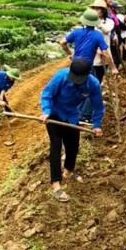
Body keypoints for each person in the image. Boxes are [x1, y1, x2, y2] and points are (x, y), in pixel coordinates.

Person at [40, 59, 104, 202]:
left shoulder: (93, 84)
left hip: (72, 116)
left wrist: (97, 125)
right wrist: (46, 111)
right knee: (56, 146)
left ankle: (68, 171)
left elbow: (98, 106)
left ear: (88, 75)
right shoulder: (61, 76)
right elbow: (47, 94)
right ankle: (56, 184)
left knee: (73, 146)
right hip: (54, 115)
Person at [61, 9, 118, 75]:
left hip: (75, 64)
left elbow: (62, 42)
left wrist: (69, 53)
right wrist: (113, 67)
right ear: (96, 22)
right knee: (94, 83)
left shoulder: (76, 32)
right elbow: (105, 52)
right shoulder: (98, 35)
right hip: (88, 66)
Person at [89, 0, 115, 84]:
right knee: (92, 77)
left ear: (103, 10)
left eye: (97, 9)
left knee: (99, 77)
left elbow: (107, 30)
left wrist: (98, 23)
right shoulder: (89, 23)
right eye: (94, 9)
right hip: (93, 53)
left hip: (105, 52)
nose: (95, 11)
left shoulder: (109, 22)